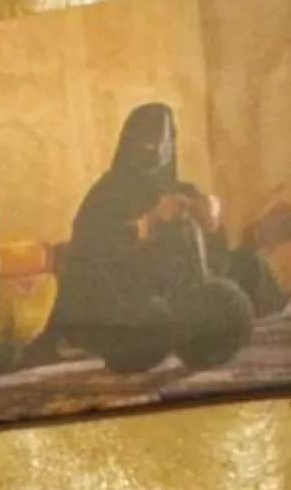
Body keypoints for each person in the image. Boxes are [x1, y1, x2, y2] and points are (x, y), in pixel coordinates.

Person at [45, 102, 257, 376]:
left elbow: (216, 263)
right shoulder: (105, 195)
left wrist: (211, 225)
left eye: (164, 142)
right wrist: (148, 223)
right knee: (152, 322)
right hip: (117, 302)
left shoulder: (180, 190)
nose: (156, 150)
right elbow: (89, 257)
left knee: (249, 268)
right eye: (147, 142)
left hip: (178, 299)